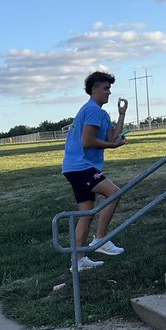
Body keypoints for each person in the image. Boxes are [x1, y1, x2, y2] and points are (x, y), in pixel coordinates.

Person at [61, 70, 129, 272]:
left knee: (87, 213)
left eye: (110, 89)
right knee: (115, 192)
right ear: (94, 89)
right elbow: (88, 141)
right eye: (106, 88)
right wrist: (112, 146)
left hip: (75, 168)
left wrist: (122, 115)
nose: (109, 92)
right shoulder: (92, 111)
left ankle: (78, 261)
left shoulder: (101, 113)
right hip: (81, 166)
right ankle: (100, 239)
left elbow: (111, 136)